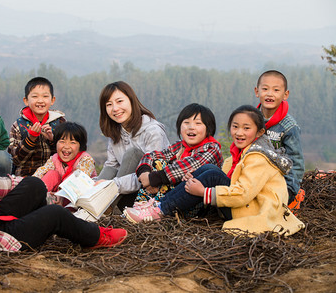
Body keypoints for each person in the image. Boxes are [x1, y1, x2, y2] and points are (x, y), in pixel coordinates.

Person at [124, 105, 304, 237]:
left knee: (211, 173)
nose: (239, 132)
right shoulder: (235, 156)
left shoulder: (258, 158)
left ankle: (159, 209)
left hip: (253, 211)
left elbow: (243, 193)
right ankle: (156, 206)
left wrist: (204, 192)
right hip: (240, 207)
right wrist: (193, 178)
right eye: (235, 126)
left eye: (246, 128)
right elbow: (155, 156)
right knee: (208, 171)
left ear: (259, 133)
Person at [134, 103, 223, 217]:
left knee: (176, 173)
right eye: (186, 123)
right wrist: (145, 173)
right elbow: (151, 156)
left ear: (208, 129)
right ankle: (142, 205)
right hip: (171, 197)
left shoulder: (211, 148)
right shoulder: (180, 146)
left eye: (198, 123)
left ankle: (154, 210)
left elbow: (186, 167)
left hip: (196, 203)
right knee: (158, 163)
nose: (191, 127)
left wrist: (153, 179)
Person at [97, 81, 170, 211]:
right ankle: (93, 204)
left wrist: (112, 186)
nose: (115, 109)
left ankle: (104, 208)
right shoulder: (116, 133)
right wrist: (94, 185)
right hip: (125, 192)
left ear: (131, 100)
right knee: (109, 169)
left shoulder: (153, 131)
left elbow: (152, 175)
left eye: (119, 101)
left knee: (133, 154)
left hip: (151, 193)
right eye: (109, 104)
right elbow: (111, 167)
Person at [254, 70, 305, 205]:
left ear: (285, 95)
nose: (270, 94)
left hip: (280, 181)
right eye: (265, 89)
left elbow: (296, 163)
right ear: (257, 91)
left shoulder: (289, 127)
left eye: (276, 90)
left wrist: (290, 190)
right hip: (255, 176)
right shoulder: (251, 120)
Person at [8, 77, 66, 176]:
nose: (40, 101)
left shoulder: (60, 122)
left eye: (45, 96)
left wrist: (53, 140)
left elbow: (68, 153)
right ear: (26, 101)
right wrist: (30, 139)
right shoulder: (18, 125)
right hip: (26, 176)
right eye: (35, 96)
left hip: (55, 174)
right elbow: (16, 160)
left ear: (52, 100)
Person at [33, 122, 97, 205]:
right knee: (52, 174)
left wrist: (62, 194)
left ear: (80, 146)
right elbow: (40, 173)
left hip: (77, 199)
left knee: (74, 176)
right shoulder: (54, 158)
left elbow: (79, 181)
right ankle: (35, 196)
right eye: (62, 141)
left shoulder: (86, 160)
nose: (66, 146)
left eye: (72, 142)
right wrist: (30, 184)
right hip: (56, 198)